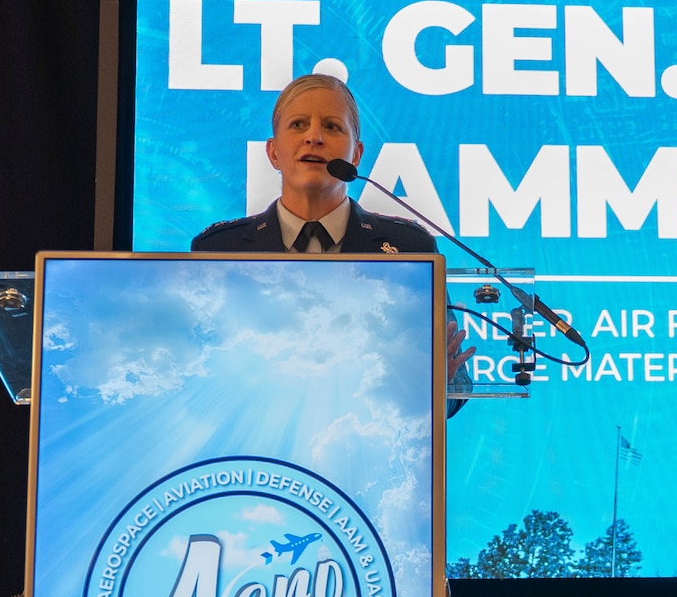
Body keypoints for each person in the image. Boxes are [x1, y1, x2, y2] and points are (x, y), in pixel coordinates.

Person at [193, 73, 474, 406]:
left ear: (356, 155)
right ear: (273, 153)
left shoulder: (409, 248)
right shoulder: (218, 250)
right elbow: (195, 376)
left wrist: (436, 386)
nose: (313, 137)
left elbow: (455, 383)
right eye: (298, 125)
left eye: (331, 126)